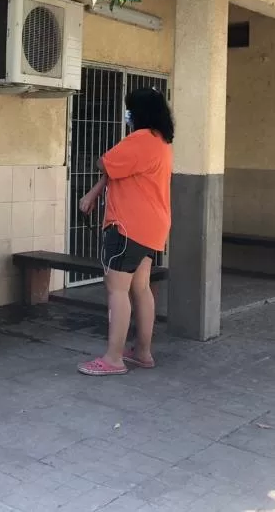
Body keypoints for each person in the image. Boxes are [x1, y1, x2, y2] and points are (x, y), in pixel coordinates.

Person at [76, 87, 173, 377]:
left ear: (139, 112)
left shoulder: (140, 139)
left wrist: (92, 193)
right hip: (152, 226)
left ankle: (113, 358)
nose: (127, 115)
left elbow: (104, 163)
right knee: (141, 288)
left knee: (117, 289)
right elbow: (116, 171)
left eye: (130, 110)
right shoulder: (161, 141)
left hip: (128, 226)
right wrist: (94, 193)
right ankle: (142, 353)